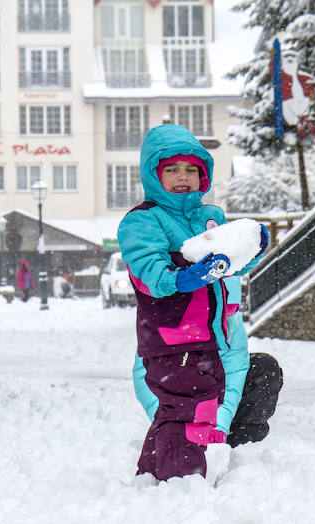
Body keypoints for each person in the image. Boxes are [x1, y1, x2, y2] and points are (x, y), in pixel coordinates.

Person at [117, 123, 280, 481]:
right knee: (185, 408)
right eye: (172, 170)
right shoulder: (143, 220)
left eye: (192, 170)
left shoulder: (211, 217)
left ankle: (155, 471)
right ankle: (180, 483)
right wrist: (183, 277)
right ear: (153, 174)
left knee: (193, 407)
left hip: (212, 336)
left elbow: (227, 267)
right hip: (173, 338)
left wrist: (250, 249)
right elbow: (148, 272)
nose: (183, 178)